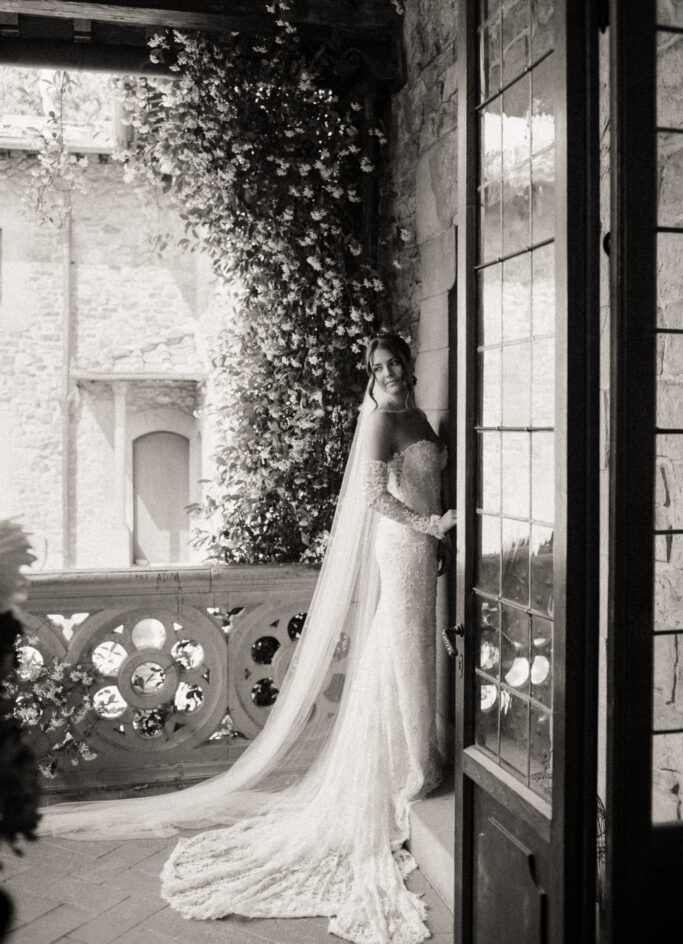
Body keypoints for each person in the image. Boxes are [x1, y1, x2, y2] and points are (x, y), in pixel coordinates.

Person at [39, 333, 457, 944]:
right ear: (369, 375)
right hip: (402, 547)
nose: (389, 372)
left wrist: (437, 537)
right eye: (378, 367)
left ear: (409, 366)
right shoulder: (380, 423)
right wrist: (428, 526)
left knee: (410, 651)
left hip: (425, 549)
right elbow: (371, 499)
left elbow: (425, 482)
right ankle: (416, 767)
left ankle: (416, 758)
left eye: (395, 363)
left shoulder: (417, 414)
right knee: (401, 651)